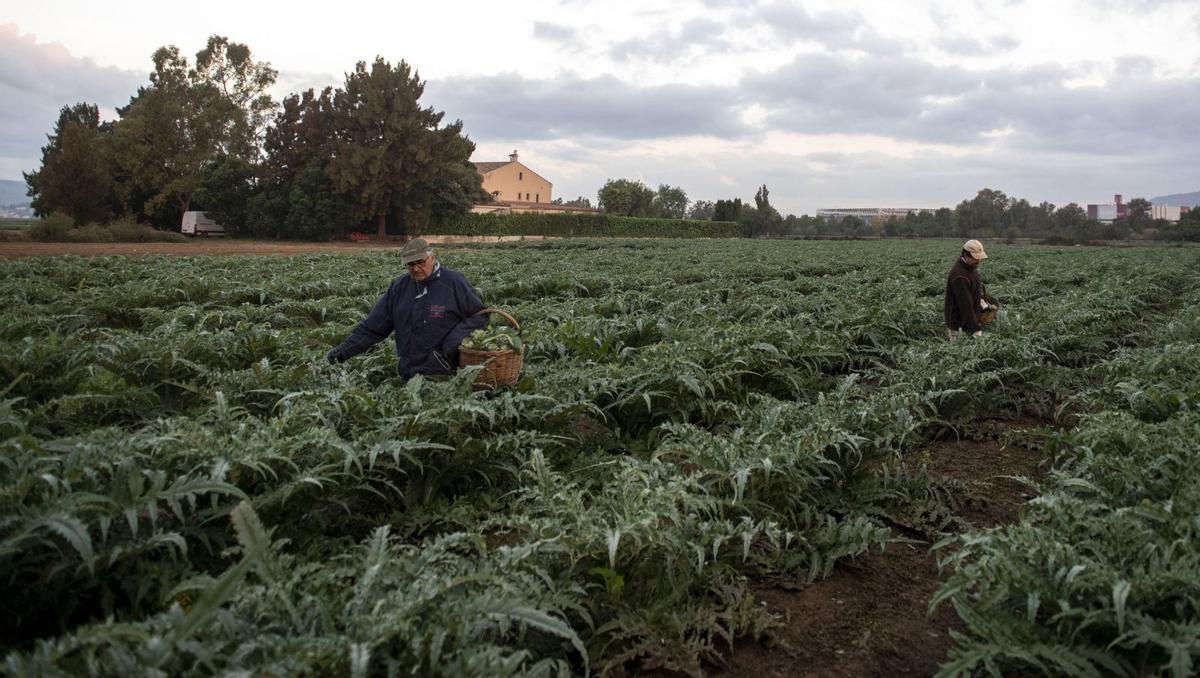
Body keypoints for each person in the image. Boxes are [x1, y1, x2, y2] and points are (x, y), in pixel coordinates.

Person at [326, 238, 487, 378]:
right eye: (410, 264)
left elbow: (479, 316)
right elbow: (373, 328)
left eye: (420, 262)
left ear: (432, 258)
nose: (415, 269)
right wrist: (342, 352)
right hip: (408, 373)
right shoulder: (399, 288)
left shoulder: (453, 282)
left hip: (445, 373)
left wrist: (448, 348)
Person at [944, 239, 992, 341]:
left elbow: (972, 292)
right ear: (966, 255)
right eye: (976, 258)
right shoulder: (959, 276)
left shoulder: (970, 267)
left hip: (968, 321)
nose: (979, 261)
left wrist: (981, 302)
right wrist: (975, 328)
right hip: (959, 325)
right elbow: (965, 305)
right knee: (959, 354)